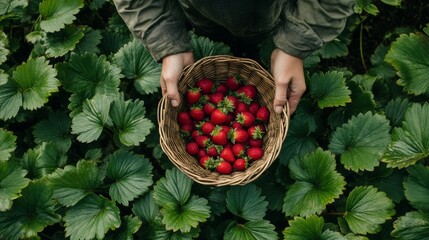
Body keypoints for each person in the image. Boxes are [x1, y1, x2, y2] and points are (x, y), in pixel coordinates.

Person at [112, 0, 355, 114]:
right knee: (213, 30)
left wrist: (294, 44)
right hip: (199, 11)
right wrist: (166, 41)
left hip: (273, 10)